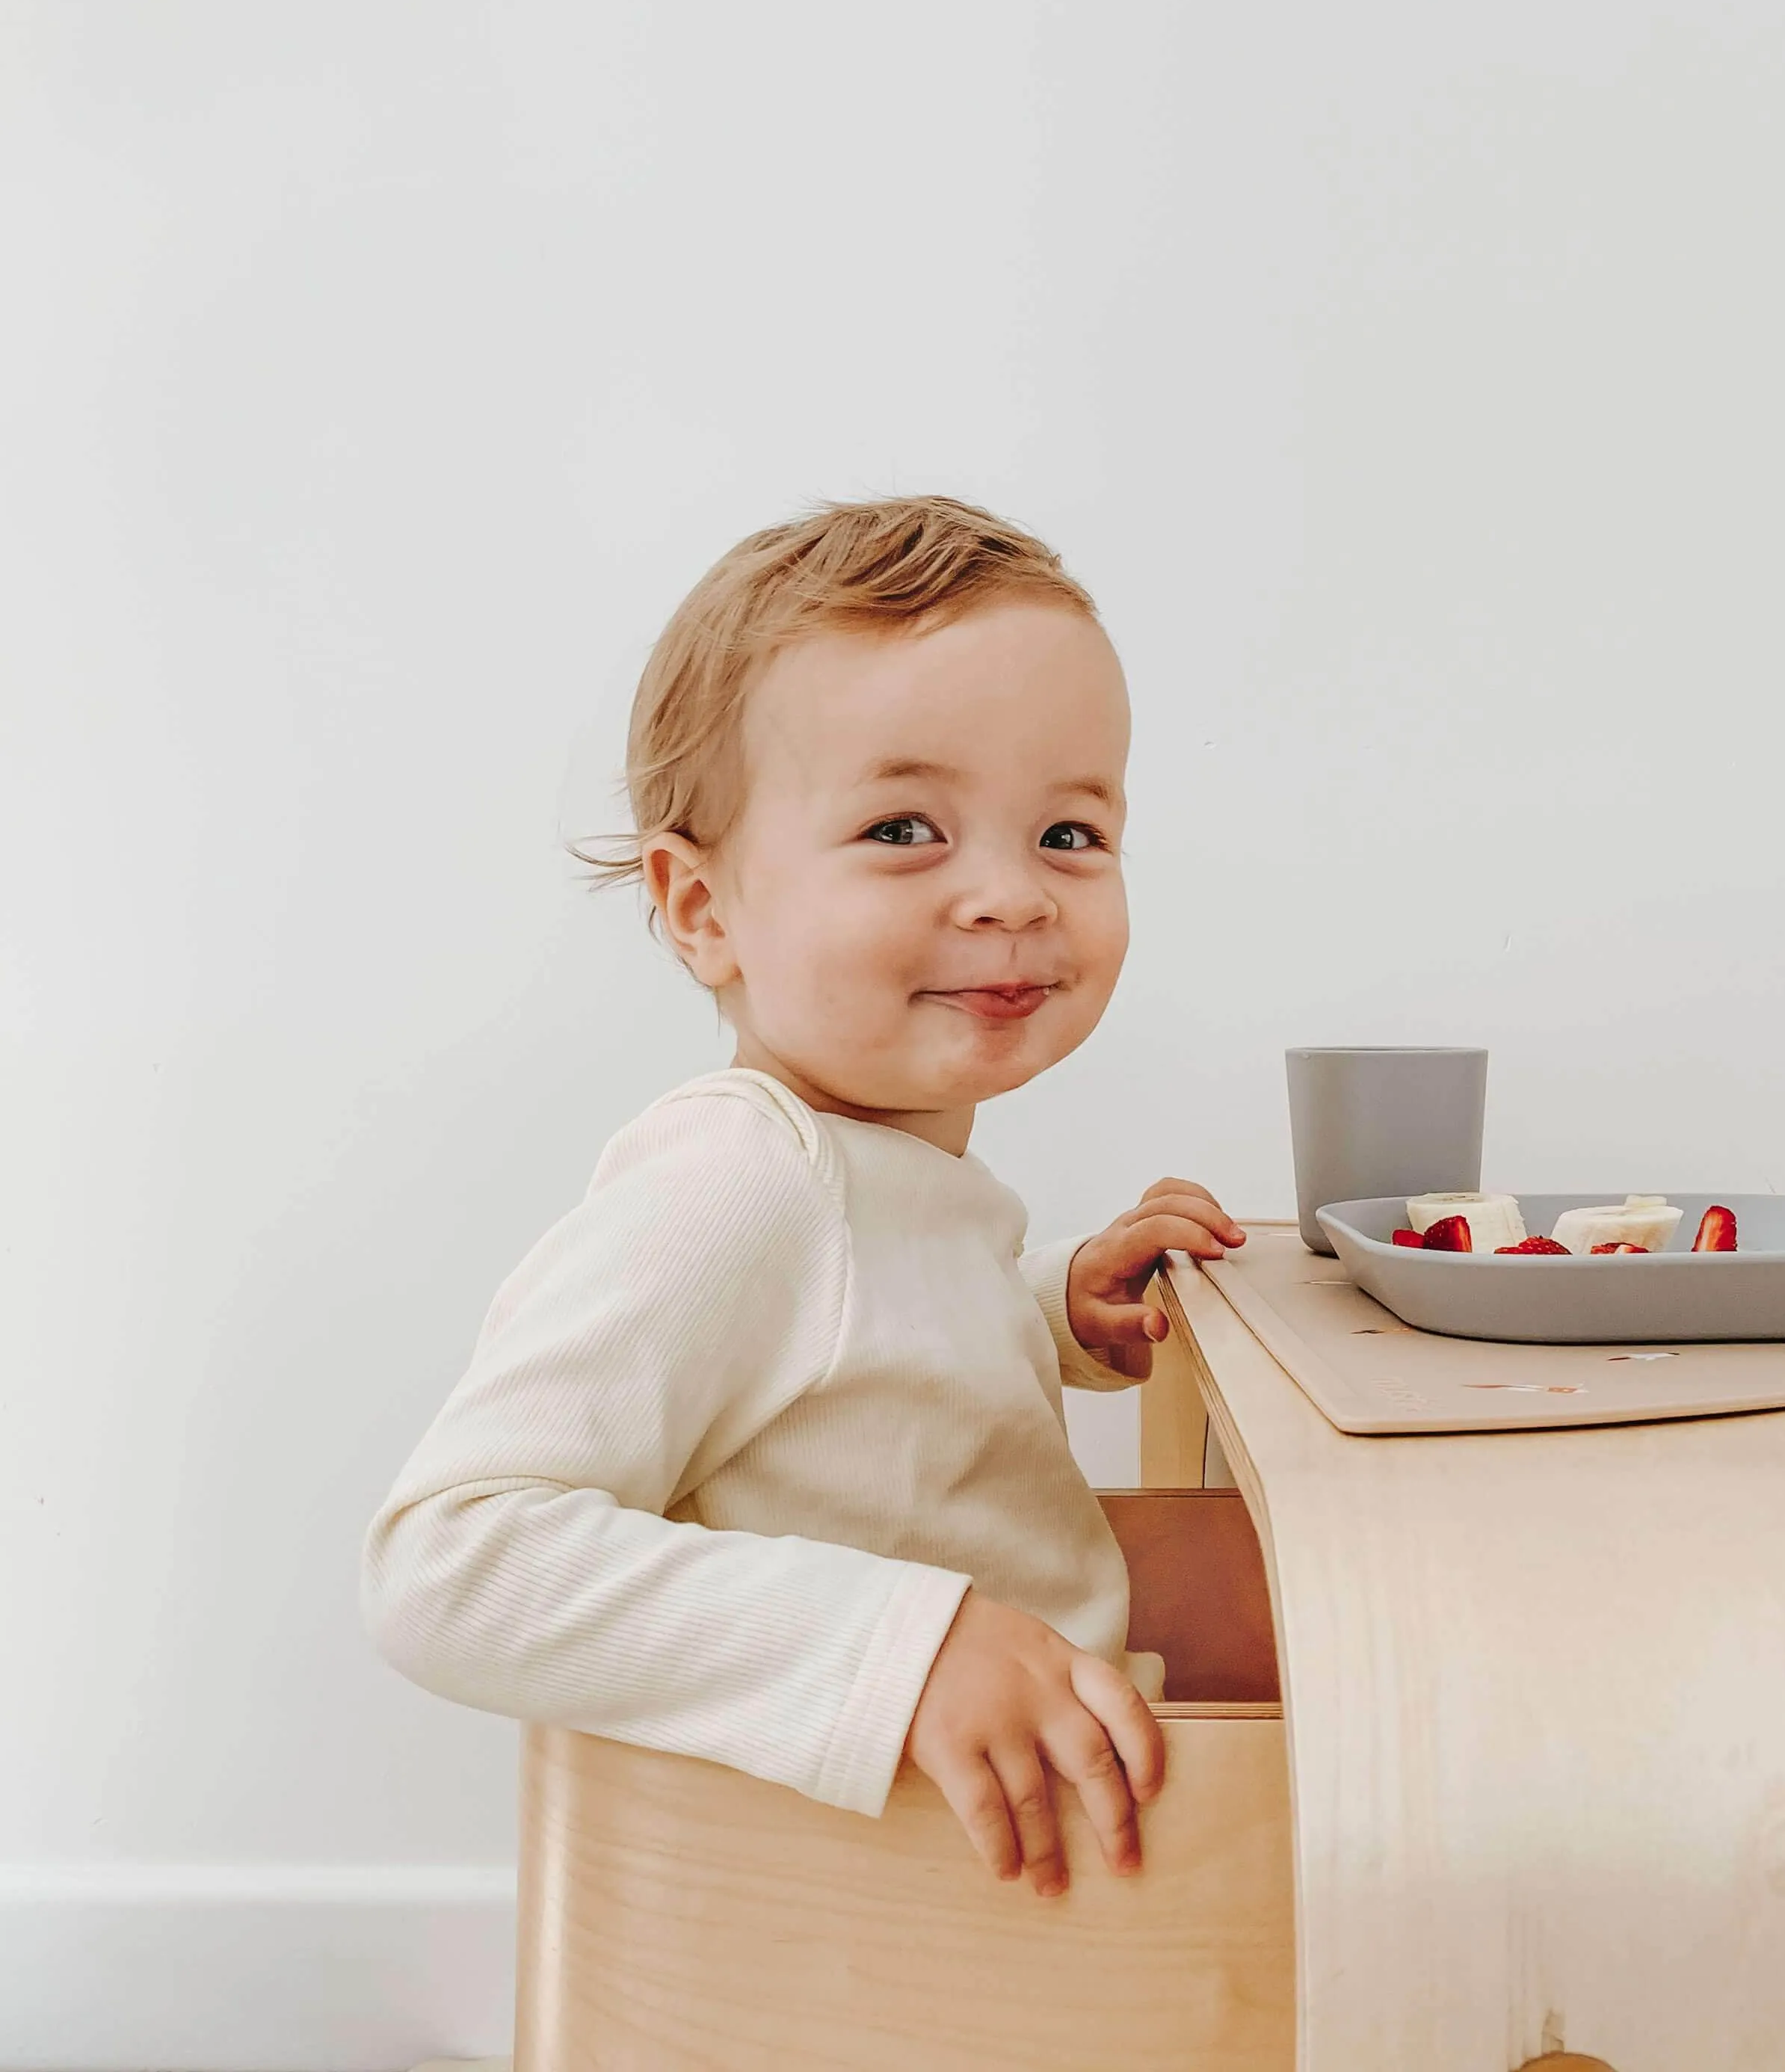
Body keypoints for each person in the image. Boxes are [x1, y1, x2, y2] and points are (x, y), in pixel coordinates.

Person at [361, 496, 1244, 1900]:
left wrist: (1049, 1309)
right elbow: (452, 1562)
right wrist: (899, 1649)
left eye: (1070, 833)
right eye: (906, 827)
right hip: (877, 1894)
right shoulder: (739, 1186)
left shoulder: (881, 1172)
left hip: (1018, 1824)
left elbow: (855, 1372)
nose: (1012, 895)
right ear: (705, 909)